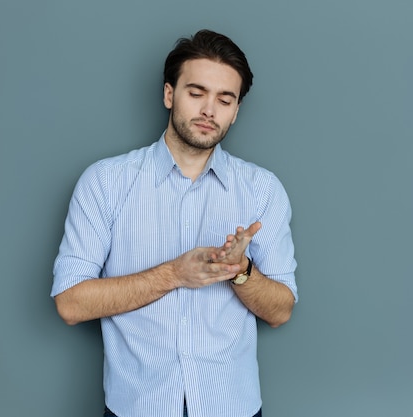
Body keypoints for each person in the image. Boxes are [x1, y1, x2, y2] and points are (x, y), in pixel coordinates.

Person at [51, 29, 298, 417]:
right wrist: (175, 274)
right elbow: (69, 303)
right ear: (170, 94)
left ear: (236, 112)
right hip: (136, 407)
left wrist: (241, 272)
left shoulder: (261, 190)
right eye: (196, 92)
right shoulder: (105, 182)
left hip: (232, 406)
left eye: (224, 99)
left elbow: (281, 310)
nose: (209, 110)